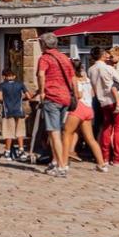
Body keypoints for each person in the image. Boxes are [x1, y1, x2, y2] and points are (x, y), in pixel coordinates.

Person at [32, 32, 76, 176]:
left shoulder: (44, 58)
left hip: (52, 96)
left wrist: (42, 92)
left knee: (54, 132)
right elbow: (73, 78)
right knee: (57, 132)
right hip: (65, 98)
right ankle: (55, 162)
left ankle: (61, 167)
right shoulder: (64, 57)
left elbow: (41, 75)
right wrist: (75, 94)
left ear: (44, 44)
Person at [89, 46, 119, 168]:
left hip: (102, 102)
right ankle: (117, 157)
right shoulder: (108, 68)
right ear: (102, 55)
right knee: (118, 129)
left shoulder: (91, 70)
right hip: (115, 100)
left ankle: (105, 156)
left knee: (106, 127)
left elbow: (93, 88)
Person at [66, 59, 107, 170]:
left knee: (66, 133)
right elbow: (93, 93)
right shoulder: (87, 79)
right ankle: (102, 164)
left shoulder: (75, 79)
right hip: (89, 109)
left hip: (79, 107)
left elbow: (78, 95)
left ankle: (63, 162)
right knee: (90, 138)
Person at [0, 65, 28, 162]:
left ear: (4, 76)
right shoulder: (20, 84)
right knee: (20, 132)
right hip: (19, 111)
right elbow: (29, 96)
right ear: (14, 76)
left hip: (8, 111)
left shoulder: (2, 85)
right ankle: (21, 151)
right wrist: (20, 99)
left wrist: (5, 100)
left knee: (9, 133)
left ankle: (7, 152)